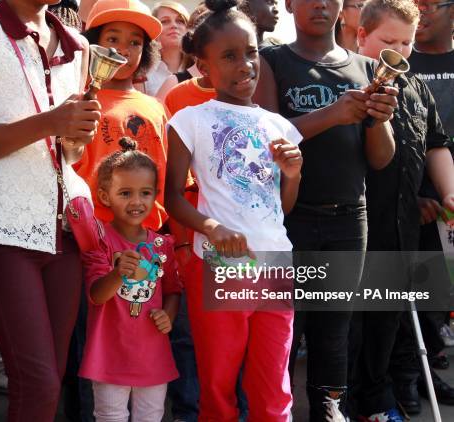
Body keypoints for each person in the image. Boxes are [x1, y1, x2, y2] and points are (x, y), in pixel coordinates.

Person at [0, 0, 101, 419]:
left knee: (49, 381)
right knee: (37, 382)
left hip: (67, 232)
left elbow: (69, 152)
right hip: (2, 229)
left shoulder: (78, 45)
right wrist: (51, 123)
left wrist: (76, 132)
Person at [253, 0, 399, 417]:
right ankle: (274, 411)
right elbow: (265, 139)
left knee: (334, 330)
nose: (321, 4)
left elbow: (381, 160)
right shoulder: (271, 61)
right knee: (283, 329)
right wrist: (333, 114)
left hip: (350, 218)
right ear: (289, 4)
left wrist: (378, 118)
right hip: (287, 218)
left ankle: (329, 410)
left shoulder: (366, 67)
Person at [165, 1, 305, 420]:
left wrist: (293, 175)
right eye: (229, 56)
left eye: (250, 52)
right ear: (203, 68)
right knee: (218, 385)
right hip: (224, 267)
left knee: (274, 389)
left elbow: (282, 206)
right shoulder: (188, 120)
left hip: (276, 264)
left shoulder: (280, 126)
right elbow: (172, 197)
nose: (244, 64)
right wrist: (211, 226)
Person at [349, 0, 454, 420]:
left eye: (406, 42)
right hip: (356, 226)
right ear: (361, 35)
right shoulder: (346, 78)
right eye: (388, 41)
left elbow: (436, 143)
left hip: (403, 226)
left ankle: (379, 399)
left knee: (388, 320)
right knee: (352, 326)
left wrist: (449, 192)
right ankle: (349, 402)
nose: (400, 50)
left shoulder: (416, 86)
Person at [78, 137, 181, 421]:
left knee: (151, 416)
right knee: (109, 416)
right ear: (104, 196)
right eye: (125, 193)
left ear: (155, 195)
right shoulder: (100, 241)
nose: (136, 201)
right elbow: (96, 295)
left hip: (152, 356)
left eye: (145, 193)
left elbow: (173, 290)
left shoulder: (163, 245)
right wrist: (117, 273)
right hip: (109, 356)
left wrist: (168, 316)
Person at [390, 0, 454, 412]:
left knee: (434, 302)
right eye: (418, 4)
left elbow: (437, 139)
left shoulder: (423, 78)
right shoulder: (391, 67)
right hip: (404, 206)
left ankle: (427, 374)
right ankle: (404, 381)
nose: (424, 10)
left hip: (443, 202)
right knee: (400, 300)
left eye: (432, 3)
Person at [76, 0, 167, 231]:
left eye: (135, 42)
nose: (123, 50)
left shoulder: (157, 108)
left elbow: (170, 180)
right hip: (90, 232)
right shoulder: (78, 100)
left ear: (146, 51)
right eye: (112, 39)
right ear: (94, 43)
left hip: (146, 239)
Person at [143, 1, 191, 99]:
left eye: (180, 21)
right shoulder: (144, 71)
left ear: (188, 29)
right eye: (165, 21)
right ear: (154, 30)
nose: (174, 25)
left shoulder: (200, 67)